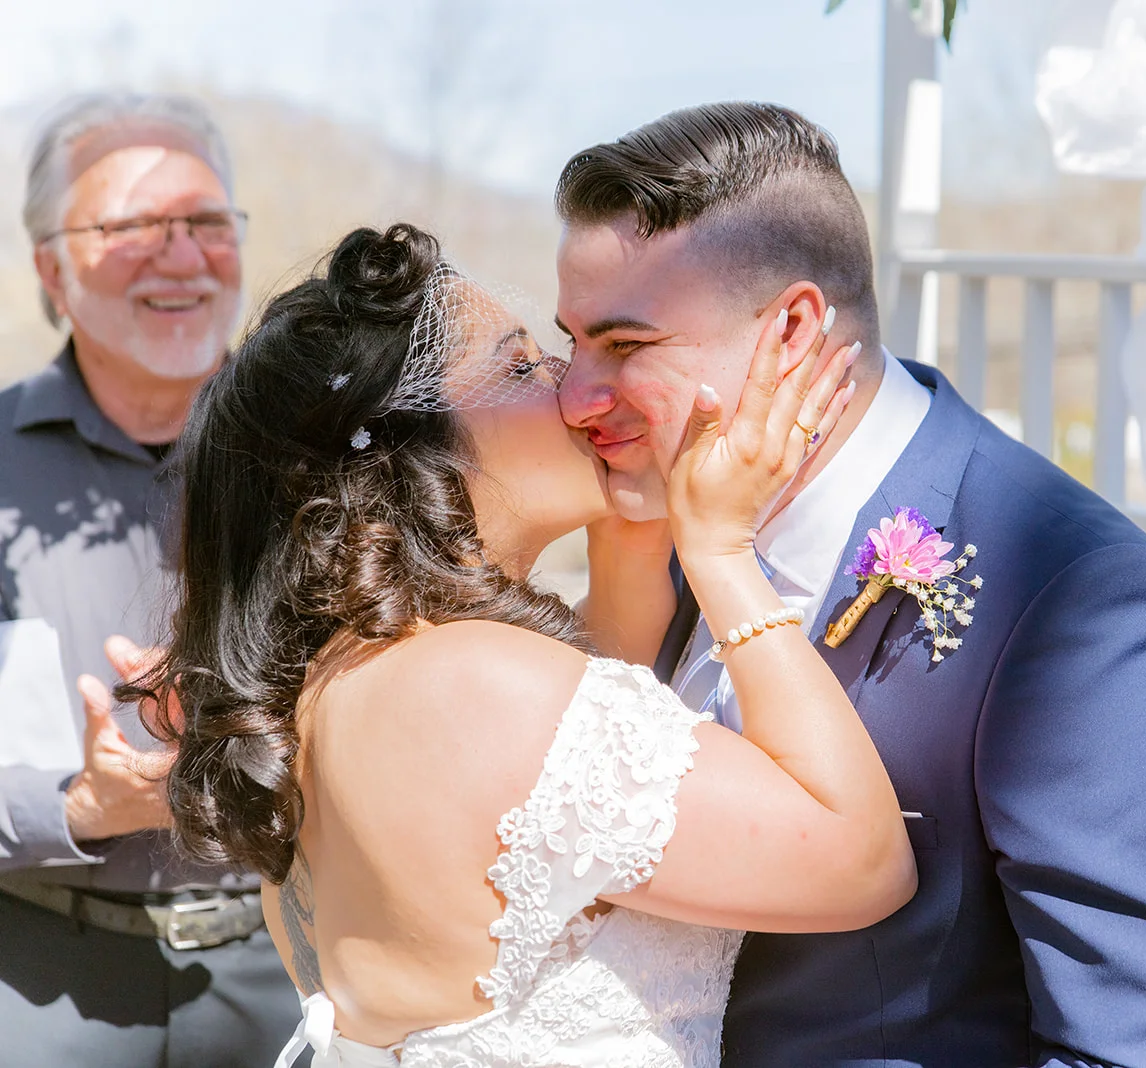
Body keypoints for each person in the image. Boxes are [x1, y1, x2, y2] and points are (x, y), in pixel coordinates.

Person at [554, 101, 1146, 1067]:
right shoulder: (646, 550)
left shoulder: (1087, 610)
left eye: (625, 347)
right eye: (572, 342)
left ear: (792, 332)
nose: (576, 397)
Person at [132, 223, 913, 1067]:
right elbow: (864, 861)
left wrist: (635, 522)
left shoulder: (340, 678)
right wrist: (718, 553)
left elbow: (578, 743)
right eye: (519, 366)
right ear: (406, 454)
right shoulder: (475, 685)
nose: (576, 390)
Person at [0, 93, 302, 1067]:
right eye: (132, 225)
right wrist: (81, 806)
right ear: (52, 265)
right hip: (37, 983)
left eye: (206, 222)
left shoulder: (336, 458)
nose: (180, 255)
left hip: (296, 970)